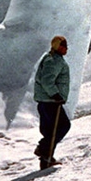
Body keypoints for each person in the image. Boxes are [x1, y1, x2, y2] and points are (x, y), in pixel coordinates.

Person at [33, 35, 71, 169]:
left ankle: (46, 159)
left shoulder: (51, 58)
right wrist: (55, 95)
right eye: (63, 45)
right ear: (57, 46)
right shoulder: (54, 61)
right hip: (51, 101)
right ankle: (44, 149)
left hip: (46, 101)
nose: (66, 48)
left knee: (50, 131)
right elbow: (47, 80)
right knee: (62, 126)